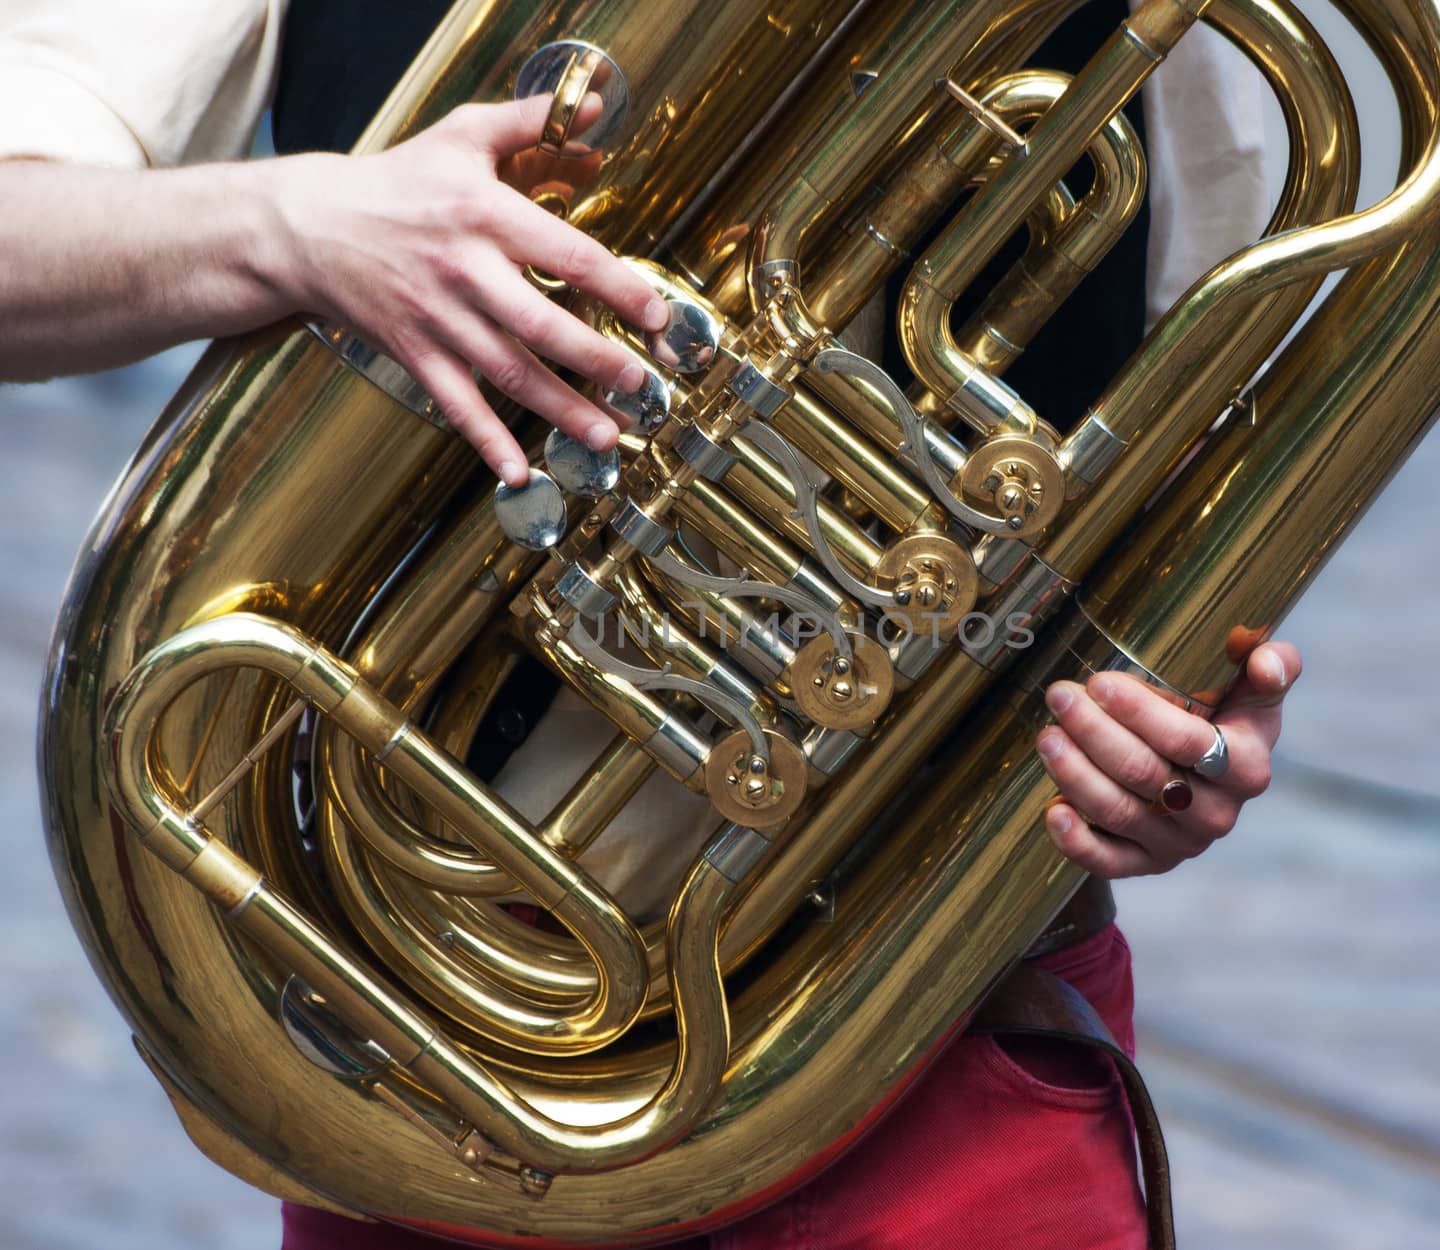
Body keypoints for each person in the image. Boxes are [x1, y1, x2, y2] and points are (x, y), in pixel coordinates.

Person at [0, 1, 1301, 1247]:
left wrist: (1171, 722)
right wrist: (296, 224)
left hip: (941, 1039)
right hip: (448, 1065)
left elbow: (1205, 445)